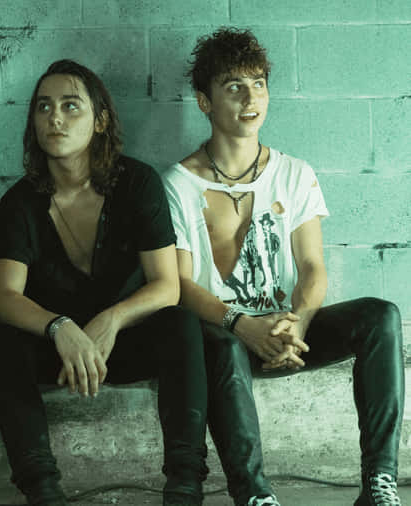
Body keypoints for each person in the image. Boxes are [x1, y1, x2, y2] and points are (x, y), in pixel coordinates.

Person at [162, 27, 404, 506]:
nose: (250, 97)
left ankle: (380, 482)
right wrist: (243, 325)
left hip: (288, 333)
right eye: (234, 86)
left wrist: (299, 324)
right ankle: (254, 495)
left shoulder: (294, 173)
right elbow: (180, 285)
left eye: (258, 84)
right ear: (205, 101)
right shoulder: (178, 183)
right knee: (220, 345)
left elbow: (313, 267)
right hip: (225, 336)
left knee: (381, 315)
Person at [0, 59, 210, 506]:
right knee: (3, 339)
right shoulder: (20, 203)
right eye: (44, 107)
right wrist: (59, 327)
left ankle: (185, 484)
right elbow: (5, 297)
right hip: (58, 351)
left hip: (122, 344)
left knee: (181, 323)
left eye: (70, 106)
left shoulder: (137, 183)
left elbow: (166, 285)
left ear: (101, 121)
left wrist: (113, 319)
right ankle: (42, 489)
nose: (55, 118)